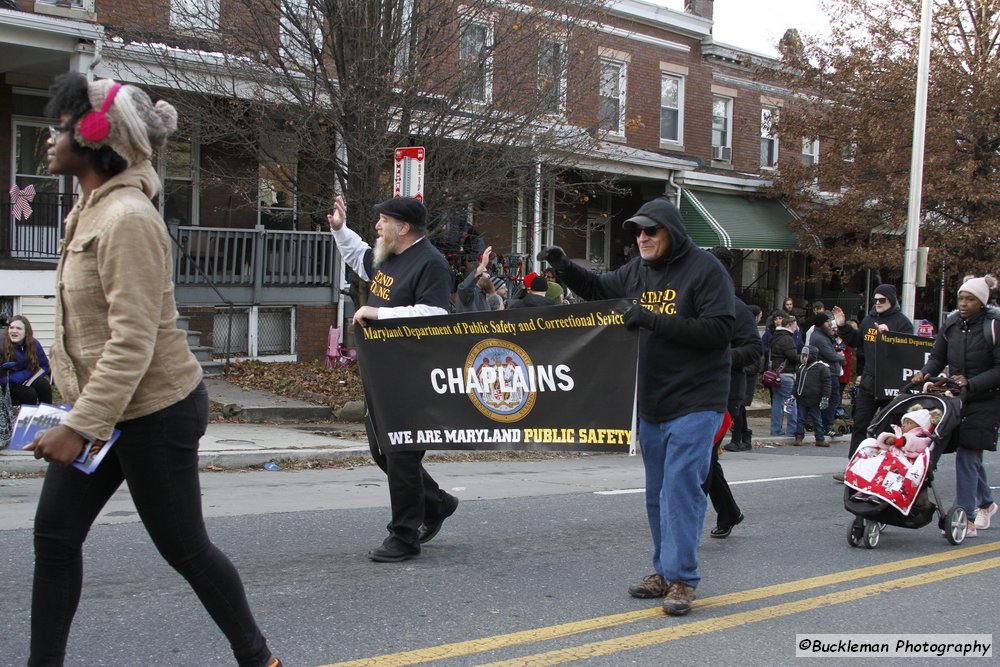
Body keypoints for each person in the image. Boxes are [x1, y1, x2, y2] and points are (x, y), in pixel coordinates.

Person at [26, 73, 281, 667]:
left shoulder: (128, 219)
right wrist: (75, 408)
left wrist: (79, 424)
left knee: (185, 549)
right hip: (106, 409)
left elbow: (132, 342)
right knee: (55, 537)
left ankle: (259, 658)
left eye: (62, 124)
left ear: (96, 136)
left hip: (155, 411)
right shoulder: (91, 210)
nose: (49, 135)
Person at [538, 197, 734, 616]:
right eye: (637, 232)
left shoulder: (705, 270)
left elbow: (720, 330)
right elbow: (598, 290)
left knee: (681, 488)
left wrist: (650, 319)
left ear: (672, 233)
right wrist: (565, 267)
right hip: (652, 401)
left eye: (651, 230)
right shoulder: (638, 271)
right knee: (657, 492)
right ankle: (663, 571)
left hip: (698, 399)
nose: (642, 237)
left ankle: (682, 579)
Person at [327, 194, 459, 561]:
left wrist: (379, 314)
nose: (377, 226)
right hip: (382, 371)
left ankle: (403, 537)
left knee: (400, 452)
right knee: (382, 450)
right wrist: (340, 230)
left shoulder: (430, 262)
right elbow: (361, 259)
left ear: (403, 228)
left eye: (383, 220)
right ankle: (437, 502)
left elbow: (434, 314)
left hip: (412, 373)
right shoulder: (390, 254)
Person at [912, 275, 1000, 537]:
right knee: (968, 454)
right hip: (956, 396)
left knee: (967, 453)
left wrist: (971, 383)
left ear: (981, 302)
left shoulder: (993, 326)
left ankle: (967, 517)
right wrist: (925, 373)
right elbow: (937, 356)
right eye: (961, 298)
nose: (963, 303)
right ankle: (986, 503)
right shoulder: (950, 324)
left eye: (970, 299)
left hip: (986, 398)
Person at [704, 246, 760, 540]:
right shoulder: (700, 304)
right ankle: (729, 512)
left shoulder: (737, 308)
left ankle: (685, 531)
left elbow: (754, 350)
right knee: (706, 461)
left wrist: (721, 355)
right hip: (698, 393)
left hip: (725, 396)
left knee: (701, 460)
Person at [833, 284, 913, 477]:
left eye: (882, 300)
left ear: (892, 300)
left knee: (886, 429)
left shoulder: (902, 323)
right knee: (860, 424)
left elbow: (909, 353)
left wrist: (890, 337)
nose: (877, 303)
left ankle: (881, 469)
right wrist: (843, 326)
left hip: (891, 384)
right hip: (869, 381)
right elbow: (856, 341)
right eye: (875, 300)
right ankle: (853, 467)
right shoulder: (869, 320)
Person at [1, 315, 53, 405]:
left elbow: (44, 366)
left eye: (19, 328)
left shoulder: (34, 344)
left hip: (25, 379)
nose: (14, 331)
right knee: (29, 393)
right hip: (5, 383)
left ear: (26, 332)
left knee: (43, 385)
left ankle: (45, 414)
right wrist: (12, 378)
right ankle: (25, 418)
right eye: (11, 327)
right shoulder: (1, 343)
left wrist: (25, 376)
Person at [810, 312, 845, 437]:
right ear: (821, 323)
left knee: (831, 399)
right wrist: (840, 357)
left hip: (830, 371)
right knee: (831, 399)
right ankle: (826, 425)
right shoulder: (819, 337)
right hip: (828, 372)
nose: (829, 324)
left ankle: (824, 425)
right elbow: (830, 355)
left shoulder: (823, 335)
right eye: (827, 322)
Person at [792, 345, 830, 447]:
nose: (804, 358)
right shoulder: (802, 368)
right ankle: (799, 437)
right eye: (803, 356)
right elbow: (797, 383)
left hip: (815, 399)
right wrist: (793, 395)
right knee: (800, 418)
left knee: (817, 419)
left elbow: (827, 384)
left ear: (812, 356)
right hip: (802, 398)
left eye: (806, 356)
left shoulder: (822, 368)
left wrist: (825, 397)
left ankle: (820, 438)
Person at [768, 314, 800, 436]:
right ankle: (792, 430)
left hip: (775, 374)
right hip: (786, 374)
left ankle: (775, 430)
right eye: (795, 325)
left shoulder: (775, 336)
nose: (796, 328)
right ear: (789, 325)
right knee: (790, 402)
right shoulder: (787, 339)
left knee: (777, 402)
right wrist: (802, 358)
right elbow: (792, 357)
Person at [454, 245, 497, 313]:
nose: (488, 275)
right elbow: (464, 288)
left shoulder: (482, 294)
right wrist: (483, 265)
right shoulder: (465, 293)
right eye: (485, 272)